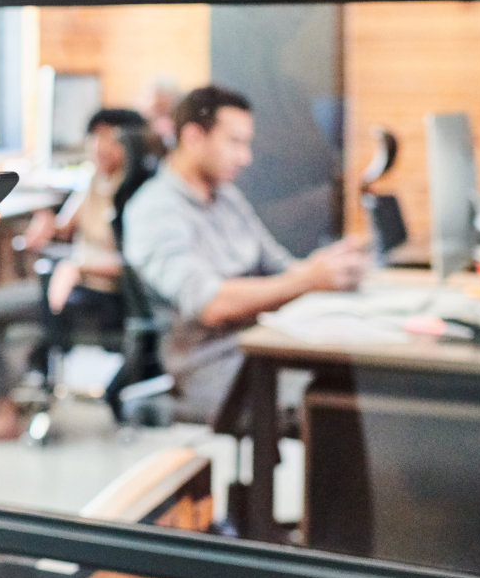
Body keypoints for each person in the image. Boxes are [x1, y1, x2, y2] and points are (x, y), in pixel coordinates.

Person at [122, 85, 367, 422]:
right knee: (340, 403)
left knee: (356, 377)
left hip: (265, 345)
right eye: (234, 142)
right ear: (193, 137)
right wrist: (310, 280)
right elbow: (211, 305)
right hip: (214, 366)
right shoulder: (154, 210)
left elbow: (281, 268)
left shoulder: (227, 197)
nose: (245, 157)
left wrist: (325, 266)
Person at [0, 108, 151, 441]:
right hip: (71, 289)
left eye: (111, 139)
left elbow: (141, 265)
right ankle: (6, 397)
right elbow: (65, 228)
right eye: (95, 138)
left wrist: (76, 266)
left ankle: (6, 411)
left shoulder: (140, 193)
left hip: (106, 298)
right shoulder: (94, 180)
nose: (100, 147)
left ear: (132, 145)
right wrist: (47, 224)